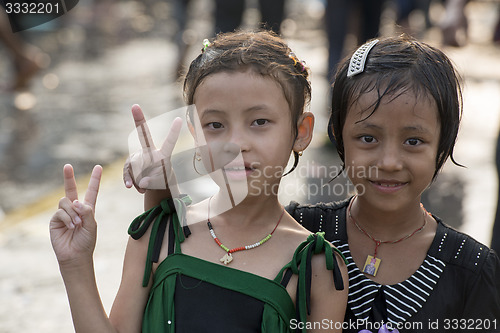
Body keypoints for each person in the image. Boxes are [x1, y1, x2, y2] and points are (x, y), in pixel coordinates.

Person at [50, 30, 348, 332]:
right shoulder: (159, 233)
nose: (235, 143)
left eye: (259, 122)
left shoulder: (316, 268)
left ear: (301, 131)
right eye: (215, 125)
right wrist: (75, 264)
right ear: (195, 134)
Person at [287, 35, 500, 332]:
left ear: (443, 144)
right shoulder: (298, 233)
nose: (389, 162)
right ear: (338, 134)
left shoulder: (471, 269)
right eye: (368, 138)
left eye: (413, 141)